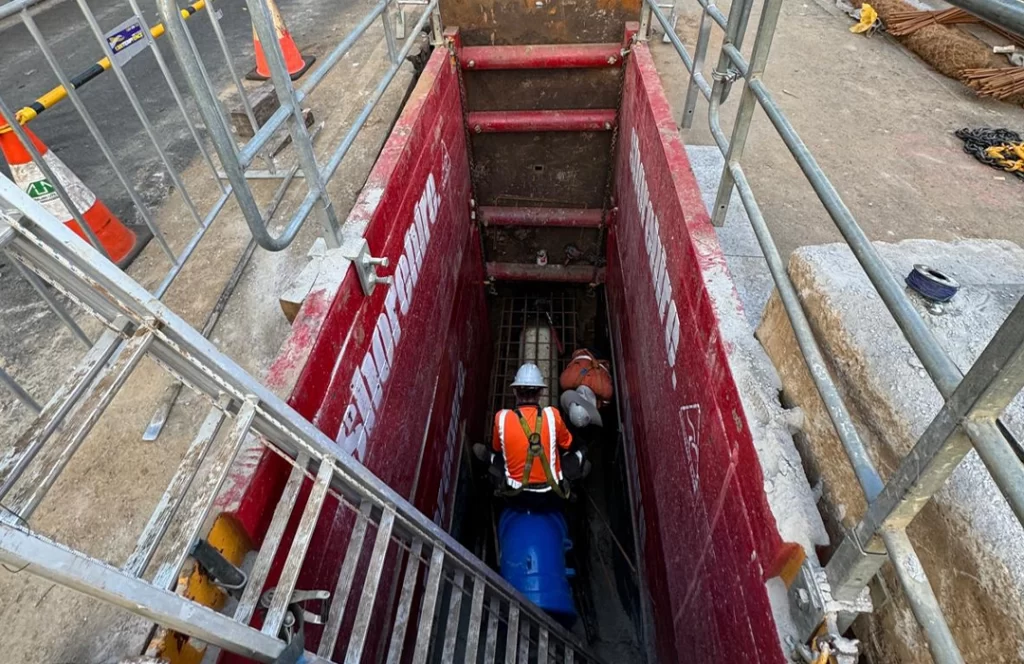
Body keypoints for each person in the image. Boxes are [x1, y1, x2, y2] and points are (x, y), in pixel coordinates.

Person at [488, 363, 574, 511]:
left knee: (486, 454)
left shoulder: (501, 418)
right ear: (540, 392)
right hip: (550, 494)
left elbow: (496, 448)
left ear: (515, 391)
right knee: (577, 454)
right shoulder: (552, 415)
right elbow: (567, 444)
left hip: (516, 495)